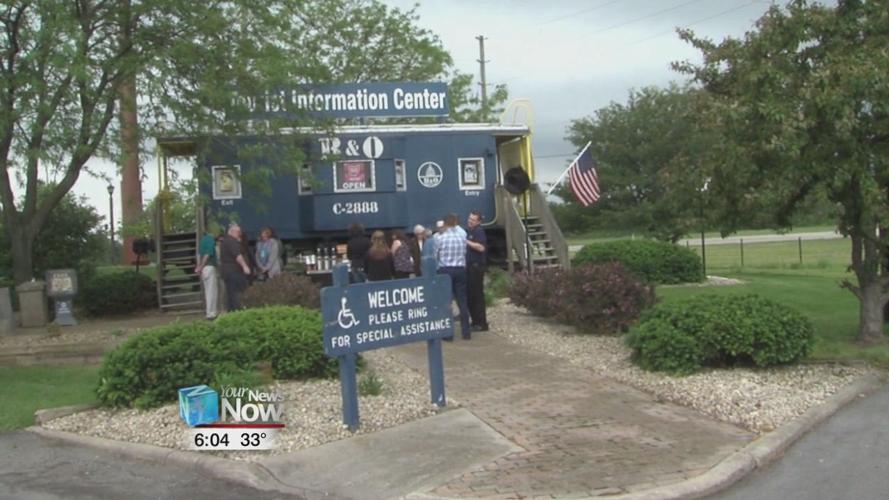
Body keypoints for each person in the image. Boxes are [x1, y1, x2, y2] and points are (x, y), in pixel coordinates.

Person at [436, 213, 471, 340]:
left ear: (444, 223)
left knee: (447, 301)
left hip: (445, 270)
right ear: (455, 222)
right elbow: (465, 253)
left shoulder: (440, 238)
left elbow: (435, 255)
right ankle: (466, 332)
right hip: (460, 269)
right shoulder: (462, 237)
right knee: (462, 300)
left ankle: (448, 334)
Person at [220, 223, 252, 311]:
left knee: (231, 293)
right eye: (238, 231)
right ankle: (238, 312)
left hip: (228, 272)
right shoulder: (231, 241)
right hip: (234, 272)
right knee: (236, 293)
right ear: (231, 232)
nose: (240, 233)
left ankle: (232, 312)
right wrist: (245, 266)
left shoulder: (226, 241)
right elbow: (237, 255)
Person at [466, 211, 489, 331]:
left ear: (479, 222)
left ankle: (481, 323)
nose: (470, 221)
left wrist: (466, 242)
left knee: (477, 295)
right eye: (470, 218)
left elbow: (481, 247)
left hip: (476, 267)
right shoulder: (470, 231)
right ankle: (475, 321)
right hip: (470, 266)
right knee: (471, 295)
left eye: (473, 220)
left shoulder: (479, 231)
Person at [194, 230, 220, 320]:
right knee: (211, 291)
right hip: (209, 267)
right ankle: (211, 313)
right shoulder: (210, 240)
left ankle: (210, 312)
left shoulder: (202, 240)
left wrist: (199, 266)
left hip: (204, 269)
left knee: (208, 291)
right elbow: (208, 254)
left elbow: (198, 254)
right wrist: (201, 266)